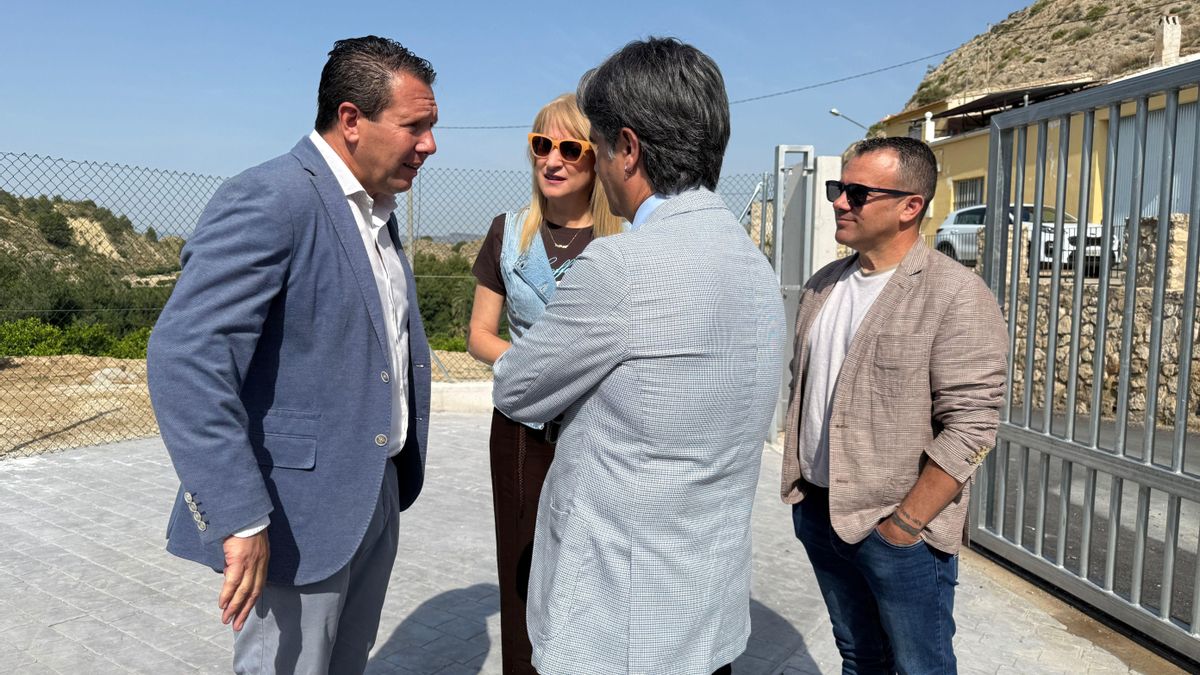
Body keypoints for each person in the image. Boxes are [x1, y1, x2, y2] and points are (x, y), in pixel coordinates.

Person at [491, 37, 785, 675]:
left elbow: (515, 386)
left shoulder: (620, 265)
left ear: (628, 148)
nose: (595, 165)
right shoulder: (754, 265)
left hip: (616, 623)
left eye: (595, 146)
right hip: (706, 611)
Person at [146, 36, 436, 674]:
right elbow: (186, 357)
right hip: (290, 514)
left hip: (372, 489)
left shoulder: (375, 212)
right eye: (414, 126)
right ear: (351, 120)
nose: (430, 145)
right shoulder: (273, 197)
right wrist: (239, 517)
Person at [780, 136, 1008, 674]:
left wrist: (904, 525)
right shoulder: (822, 287)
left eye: (858, 193)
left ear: (910, 206)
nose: (840, 202)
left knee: (919, 666)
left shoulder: (955, 294)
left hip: (898, 530)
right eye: (838, 189)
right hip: (820, 511)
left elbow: (973, 427)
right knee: (860, 657)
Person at [466, 93, 623, 674]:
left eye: (569, 148)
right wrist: (541, 368)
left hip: (600, 431)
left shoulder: (624, 242)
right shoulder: (508, 233)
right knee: (522, 570)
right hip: (522, 431)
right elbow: (479, 335)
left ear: (596, 155)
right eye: (540, 145)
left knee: (592, 572)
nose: (552, 160)